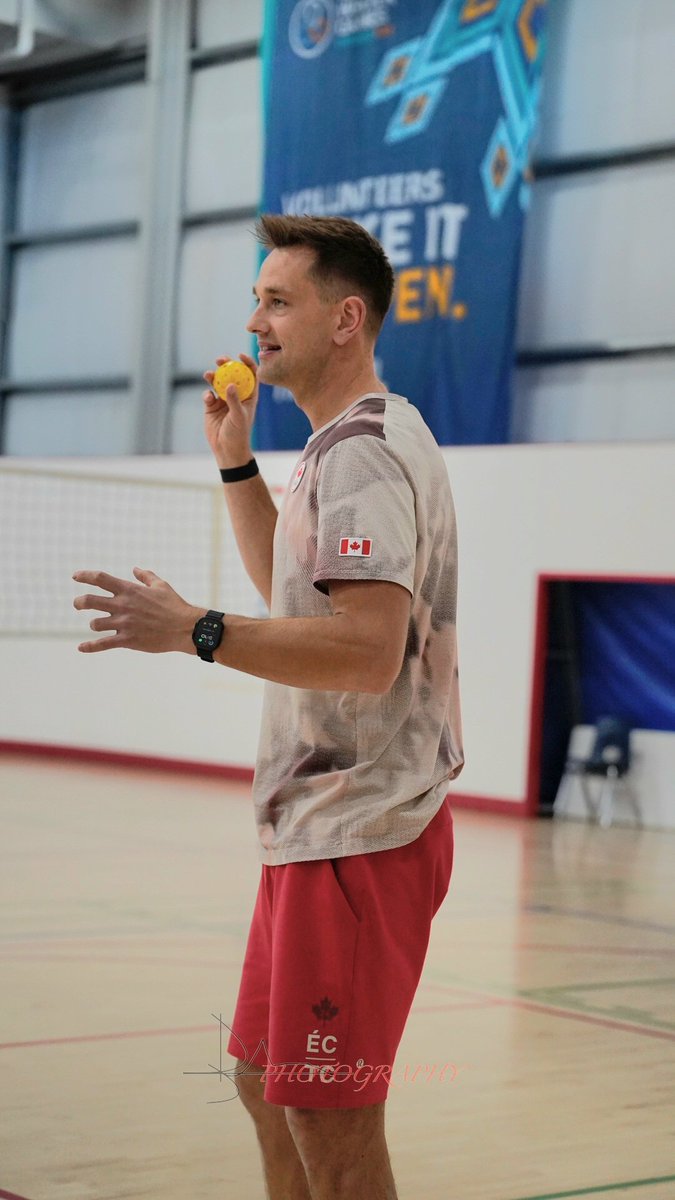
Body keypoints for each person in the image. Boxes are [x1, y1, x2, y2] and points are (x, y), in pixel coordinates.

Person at [73, 214, 463, 1200]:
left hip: (361, 835)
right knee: (262, 1080)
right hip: (316, 830)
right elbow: (294, 592)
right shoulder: (334, 446)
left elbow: (368, 656)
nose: (255, 321)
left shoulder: (364, 454)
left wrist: (196, 629)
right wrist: (237, 463)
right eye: (256, 299)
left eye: (277, 300)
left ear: (347, 319)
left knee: (328, 1113)